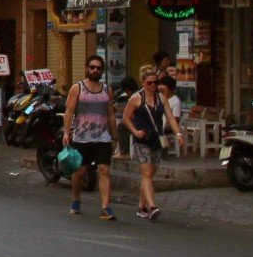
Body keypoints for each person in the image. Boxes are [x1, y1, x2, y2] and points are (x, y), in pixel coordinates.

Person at [122, 71, 183, 221]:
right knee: (146, 172)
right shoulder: (136, 99)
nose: (153, 85)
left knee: (149, 174)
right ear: (143, 83)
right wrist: (135, 132)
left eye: (156, 83)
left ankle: (141, 206)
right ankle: (153, 206)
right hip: (142, 139)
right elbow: (126, 118)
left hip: (156, 139)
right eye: (149, 83)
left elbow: (169, 116)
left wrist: (178, 133)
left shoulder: (161, 98)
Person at [64, 54, 117, 220]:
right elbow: (69, 111)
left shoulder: (107, 90)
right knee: (80, 172)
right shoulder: (77, 88)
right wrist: (66, 132)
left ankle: (105, 207)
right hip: (81, 137)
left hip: (102, 137)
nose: (95, 70)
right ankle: (76, 199)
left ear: (102, 71)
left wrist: (114, 136)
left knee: (104, 170)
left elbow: (110, 114)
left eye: (99, 68)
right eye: (92, 67)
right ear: (87, 68)